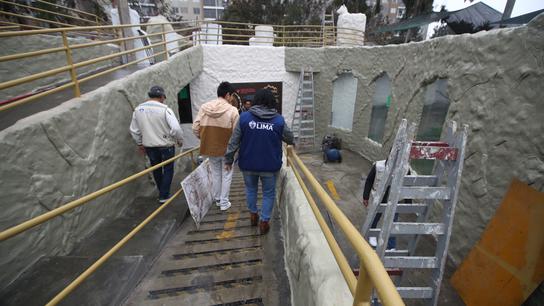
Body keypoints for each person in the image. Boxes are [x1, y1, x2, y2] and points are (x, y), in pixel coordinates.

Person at [225, 89, 294, 235]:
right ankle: (264, 221)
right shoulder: (278, 120)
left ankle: (253, 215)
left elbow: (234, 141)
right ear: (272, 102)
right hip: (270, 166)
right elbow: (290, 138)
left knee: (251, 190)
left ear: (256, 101)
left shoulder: (244, 118)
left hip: (248, 164)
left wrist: (229, 159)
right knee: (268, 193)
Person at [129, 86, 183, 203]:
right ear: (162, 96)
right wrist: (179, 140)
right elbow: (176, 128)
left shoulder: (138, 110)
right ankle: (164, 195)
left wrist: (140, 143)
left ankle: (162, 192)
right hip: (166, 145)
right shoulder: (165, 109)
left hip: (149, 146)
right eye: (164, 97)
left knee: (156, 169)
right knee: (168, 169)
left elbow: (134, 130)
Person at [192, 82, 239, 211]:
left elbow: (195, 128)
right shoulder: (232, 110)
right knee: (227, 174)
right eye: (231, 95)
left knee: (216, 173)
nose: (232, 98)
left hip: (210, 148)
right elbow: (236, 133)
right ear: (228, 94)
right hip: (227, 149)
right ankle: (224, 202)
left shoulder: (204, 107)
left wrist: (205, 139)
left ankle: (218, 199)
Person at [362, 160, 411, 249]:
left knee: (392, 222)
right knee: (374, 218)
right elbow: (369, 180)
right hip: (379, 198)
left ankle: (391, 245)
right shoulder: (378, 166)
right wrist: (366, 196)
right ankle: (372, 235)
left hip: (394, 200)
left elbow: (407, 185)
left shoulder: (405, 168)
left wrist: (408, 203)